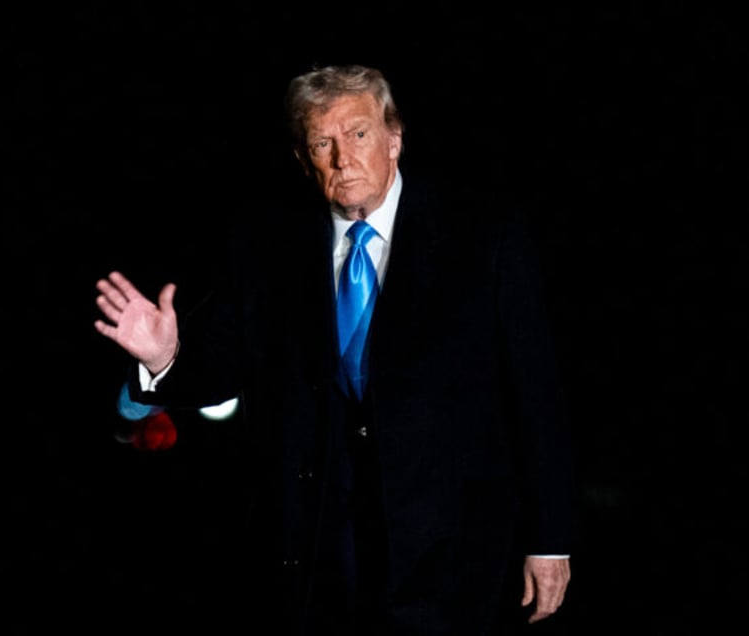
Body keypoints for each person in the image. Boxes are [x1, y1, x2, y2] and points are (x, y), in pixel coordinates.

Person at [94, 63, 574, 635]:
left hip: (452, 553)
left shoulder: (483, 233)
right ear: (305, 160)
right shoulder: (267, 246)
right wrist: (162, 358)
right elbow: (222, 366)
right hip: (317, 554)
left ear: (394, 138)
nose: (342, 157)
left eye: (359, 134)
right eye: (322, 142)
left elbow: (535, 392)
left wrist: (550, 540)